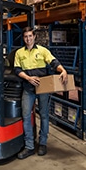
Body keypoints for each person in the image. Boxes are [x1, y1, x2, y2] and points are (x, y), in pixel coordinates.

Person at [13, 27, 68, 159]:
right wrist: (28, 78)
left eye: (30, 36)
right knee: (26, 116)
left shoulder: (43, 51)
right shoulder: (19, 53)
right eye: (26, 36)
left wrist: (63, 70)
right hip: (28, 88)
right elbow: (16, 69)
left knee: (43, 115)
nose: (28, 39)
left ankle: (42, 143)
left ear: (34, 37)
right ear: (23, 38)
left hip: (42, 87)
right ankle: (29, 146)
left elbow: (54, 62)